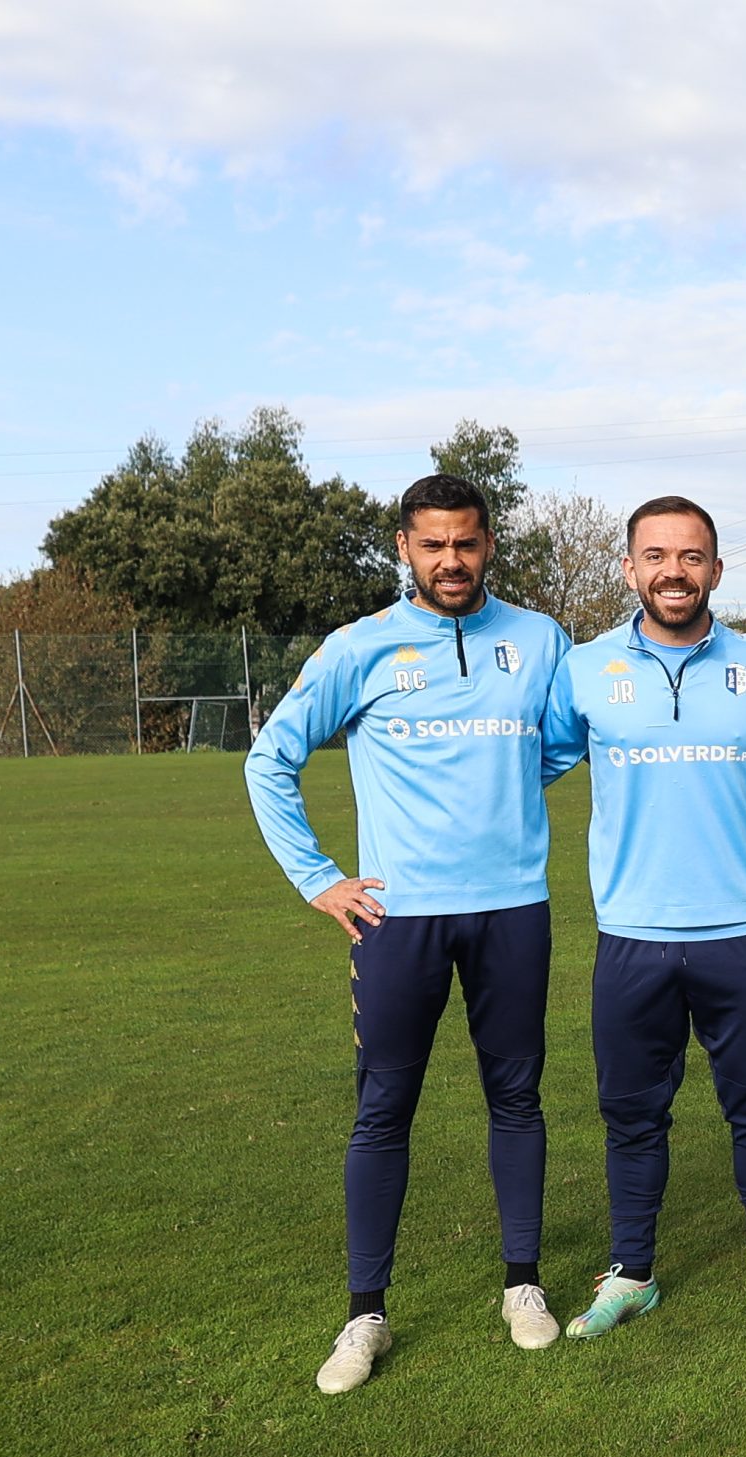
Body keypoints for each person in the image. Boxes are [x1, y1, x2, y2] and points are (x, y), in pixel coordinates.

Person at [245, 473, 572, 1393]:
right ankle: (364, 1314)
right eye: (433, 544)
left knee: (517, 1096)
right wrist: (318, 878)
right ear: (404, 548)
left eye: (466, 542)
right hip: (397, 918)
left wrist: (501, 788)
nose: (451, 560)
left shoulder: (539, 639)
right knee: (384, 1107)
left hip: (513, 907)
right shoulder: (359, 648)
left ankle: (523, 1283)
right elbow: (270, 757)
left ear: (489, 543)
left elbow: (561, 741)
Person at [540, 496, 746, 1339]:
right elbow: (532, 762)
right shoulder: (584, 669)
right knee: (631, 1110)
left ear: (717, 570)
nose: (673, 571)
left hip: (737, 930)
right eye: (655, 555)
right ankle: (634, 1271)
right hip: (631, 935)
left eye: (691, 556)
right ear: (629, 568)